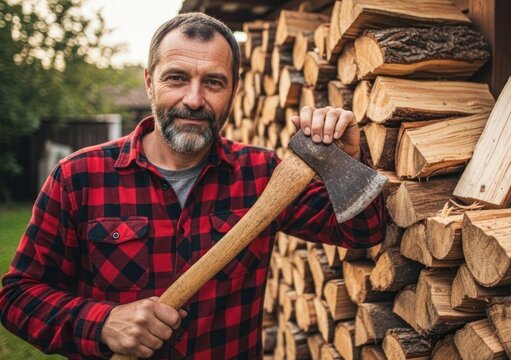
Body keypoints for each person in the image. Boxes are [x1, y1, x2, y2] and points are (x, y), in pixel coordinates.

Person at [0, 12, 385, 359]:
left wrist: (347, 164)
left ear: (234, 91)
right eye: (177, 78)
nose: (194, 99)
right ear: (150, 83)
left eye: (214, 82)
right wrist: (101, 323)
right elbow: (17, 296)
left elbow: (363, 230)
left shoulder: (264, 175)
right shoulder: (77, 177)